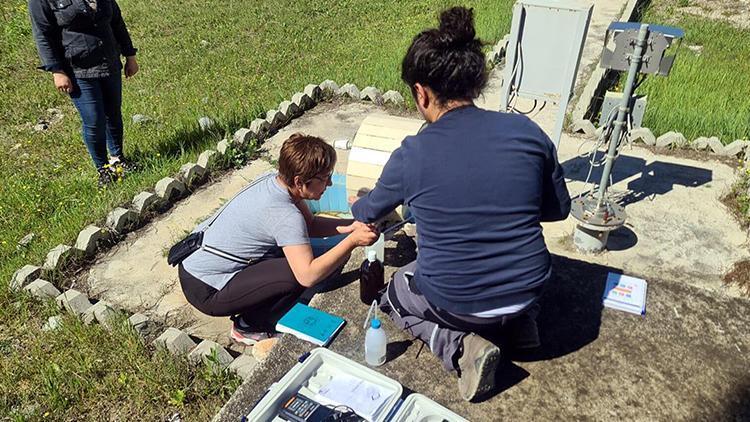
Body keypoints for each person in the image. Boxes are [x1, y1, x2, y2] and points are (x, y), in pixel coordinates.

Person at [350, 7, 571, 401]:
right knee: (512, 270)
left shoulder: (413, 152)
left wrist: (361, 201)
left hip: (458, 303)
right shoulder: (527, 131)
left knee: (396, 292)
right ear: (475, 84)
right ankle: (520, 325)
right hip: (531, 287)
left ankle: (459, 347)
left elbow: (368, 213)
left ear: (421, 92)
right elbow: (558, 211)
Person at [179, 134, 379, 345]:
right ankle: (249, 326)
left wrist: (351, 226)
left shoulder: (273, 180)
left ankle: (254, 305)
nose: (329, 183)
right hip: (207, 288)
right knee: (292, 276)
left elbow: (309, 225)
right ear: (299, 181)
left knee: (291, 254)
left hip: (194, 262)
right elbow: (308, 275)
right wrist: (352, 242)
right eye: (324, 178)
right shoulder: (284, 214)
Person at [28, 0, 140, 187]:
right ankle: (103, 168)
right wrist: (57, 70)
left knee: (113, 113)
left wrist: (130, 55)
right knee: (94, 119)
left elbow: (116, 21)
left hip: (109, 61)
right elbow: (42, 34)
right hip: (77, 69)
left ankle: (118, 159)